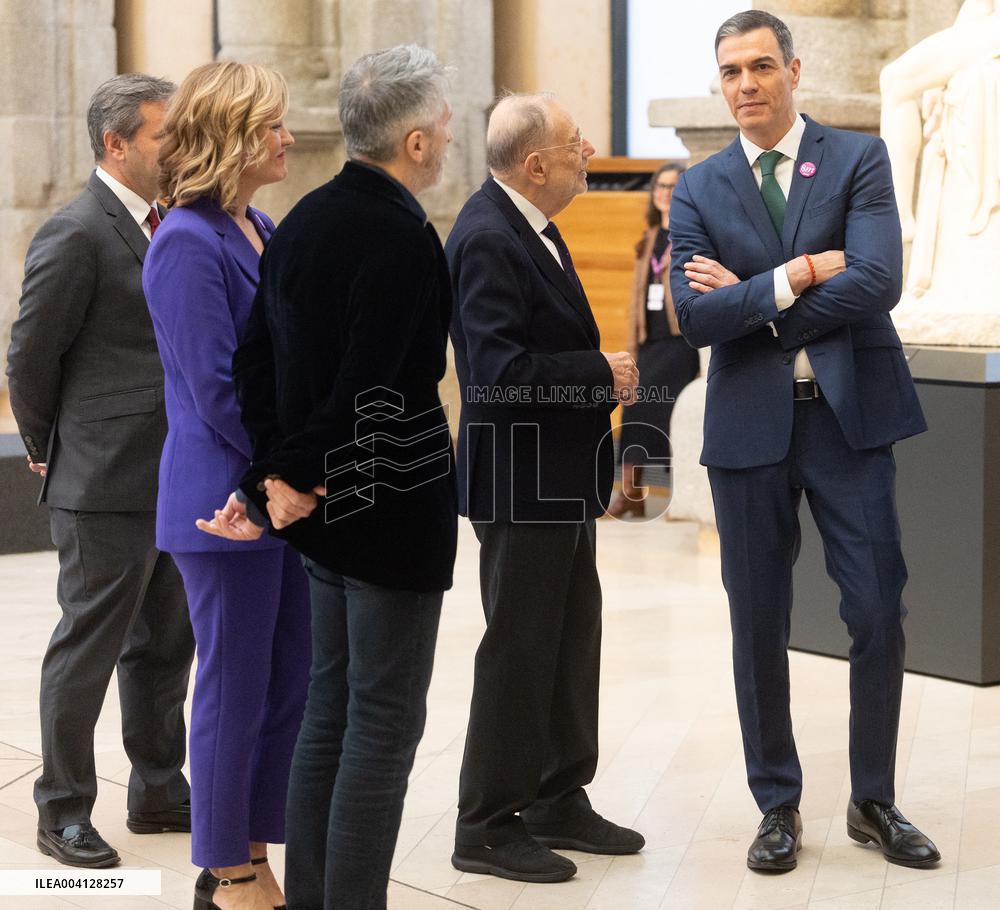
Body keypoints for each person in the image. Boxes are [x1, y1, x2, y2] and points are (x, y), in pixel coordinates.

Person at [668, 10, 939, 873]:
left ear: (793, 69)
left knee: (877, 613)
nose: (745, 85)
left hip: (848, 421)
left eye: (759, 67)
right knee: (757, 622)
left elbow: (879, 282)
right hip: (749, 429)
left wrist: (754, 300)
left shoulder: (858, 159)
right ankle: (775, 804)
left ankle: (874, 800)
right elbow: (693, 315)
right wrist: (789, 276)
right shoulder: (700, 187)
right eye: (730, 73)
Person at [206, 45, 458, 910]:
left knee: (330, 712)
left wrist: (277, 476)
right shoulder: (401, 235)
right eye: (446, 126)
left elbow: (254, 363)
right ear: (416, 143)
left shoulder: (303, 217)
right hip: (386, 512)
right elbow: (376, 382)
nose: (450, 138)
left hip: (316, 513)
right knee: (382, 727)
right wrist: (299, 476)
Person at [446, 92, 644, 885]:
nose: (588, 148)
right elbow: (496, 375)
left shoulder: (534, 226)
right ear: (534, 164)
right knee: (520, 652)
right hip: (521, 478)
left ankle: (558, 796)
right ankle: (486, 823)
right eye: (573, 144)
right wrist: (601, 374)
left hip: (555, 477)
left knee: (569, 642)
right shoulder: (490, 235)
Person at [6, 73, 195, 869]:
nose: (179, 150)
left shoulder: (174, 222)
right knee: (87, 649)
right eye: (165, 137)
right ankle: (64, 810)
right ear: (117, 144)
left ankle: (158, 788)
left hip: (173, 474)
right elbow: (28, 357)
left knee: (163, 647)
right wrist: (54, 448)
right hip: (101, 479)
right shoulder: (75, 231)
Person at [141, 62, 310, 910]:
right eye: (274, 124)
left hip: (274, 494)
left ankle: (252, 846)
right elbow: (214, 387)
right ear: (235, 136)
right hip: (223, 499)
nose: (287, 138)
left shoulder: (262, 226)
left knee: (286, 681)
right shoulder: (183, 241)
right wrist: (275, 476)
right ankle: (225, 869)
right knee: (232, 685)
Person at [606, 162, 701, 518]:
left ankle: (677, 497)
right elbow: (638, 294)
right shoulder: (649, 238)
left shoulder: (690, 235)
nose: (665, 193)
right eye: (660, 186)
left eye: (673, 187)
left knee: (667, 414)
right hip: (650, 341)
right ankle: (632, 494)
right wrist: (632, 343)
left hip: (679, 342)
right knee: (633, 412)